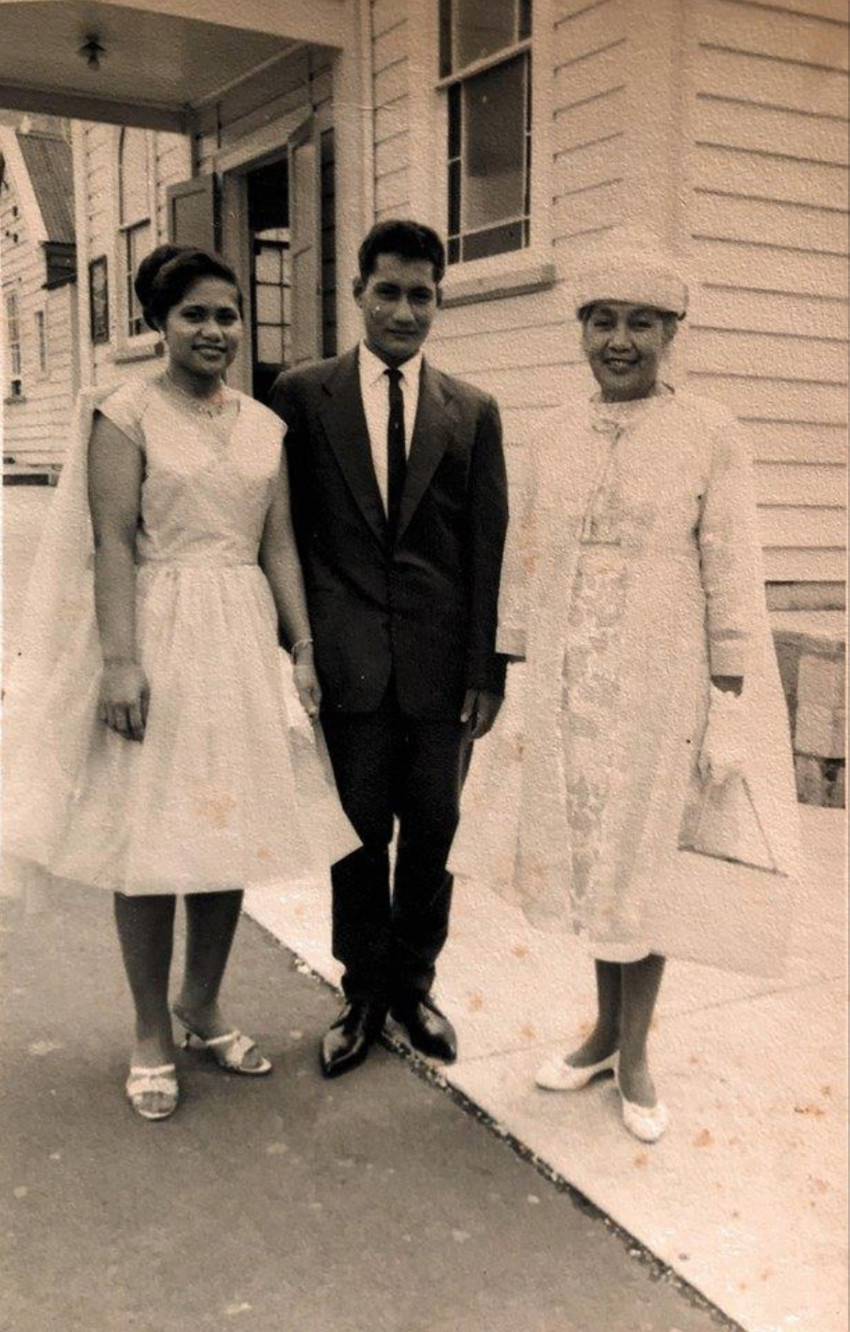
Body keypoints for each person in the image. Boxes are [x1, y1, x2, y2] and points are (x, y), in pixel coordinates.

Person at [3, 245, 357, 1121]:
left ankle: (201, 1005)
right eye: (194, 313)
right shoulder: (124, 415)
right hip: (156, 633)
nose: (214, 330)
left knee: (222, 833)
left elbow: (276, 546)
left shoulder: (265, 425)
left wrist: (302, 647)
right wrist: (121, 661)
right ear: (158, 324)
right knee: (150, 843)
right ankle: (149, 1031)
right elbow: (112, 542)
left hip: (239, 640)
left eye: (227, 313)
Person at [466, 227, 801, 1142]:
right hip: (576, 681)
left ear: (671, 334)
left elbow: (730, 562)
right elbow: (524, 554)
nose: (621, 340)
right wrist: (520, 663)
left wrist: (728, 696)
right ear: (580, 331)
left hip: (664, 678)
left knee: (649, 861)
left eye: (642, 324)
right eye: (604, 321)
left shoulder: (708, 432)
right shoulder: (556, 431)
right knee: (595, 858)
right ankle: (603, 1033)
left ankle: (637, 1049)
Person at [269, 220, 509, 1078]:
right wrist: (296, 645)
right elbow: (282, 531)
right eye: (389, 292)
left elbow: (489, 548)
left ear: (438, 300)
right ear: (359, 293)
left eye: (422, 295)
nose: (405, 310)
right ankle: (361, 991)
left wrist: (487, 671)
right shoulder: (301, 396)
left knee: (434, 834)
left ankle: (414, 985)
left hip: (444, 672)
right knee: (358, 834)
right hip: (347, 664)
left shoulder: (472, 411)